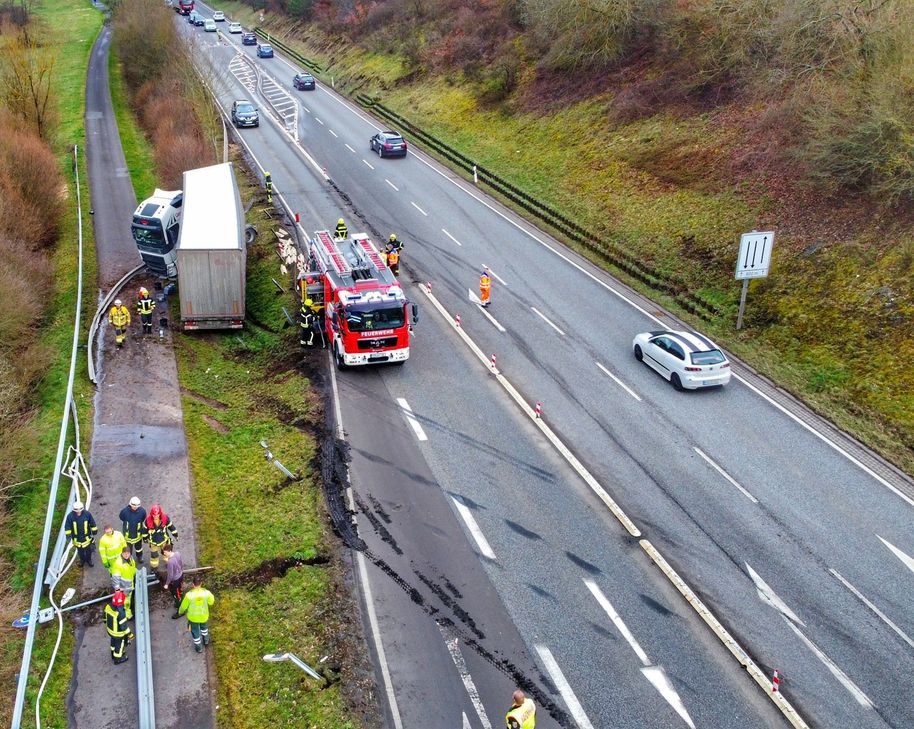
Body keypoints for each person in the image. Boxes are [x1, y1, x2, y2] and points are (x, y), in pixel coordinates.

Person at [178, 574, 215, 653]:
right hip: (203, 616)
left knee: (195, 632)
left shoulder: (189, 595)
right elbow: (211, 602)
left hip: (193, 618)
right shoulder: (206, 593)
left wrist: (180, 612)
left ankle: (199, 648)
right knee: (204, 629)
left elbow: (183, 607)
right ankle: (206, 641)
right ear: (201, 583)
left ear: (192, 584)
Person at [144, 503, 178, 570]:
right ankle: (154, 568)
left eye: (157, 514)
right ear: (151, 514)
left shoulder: (165, 518)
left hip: (164, 541)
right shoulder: (148, 521)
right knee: (154, 556)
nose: (156, 516)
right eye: (154, 515)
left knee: (166, 554)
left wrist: (175, 534)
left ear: (160, 513)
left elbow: (171, 527)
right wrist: (145, 538)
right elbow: (145, 531)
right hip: (153, 542)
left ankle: (168, 564)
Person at [64, 501, 97, 568]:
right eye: (77, 511)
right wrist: (68, 537)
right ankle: (82, 561)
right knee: (80, 552)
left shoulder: (87, 514)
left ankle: (89, 560)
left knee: (88, 551)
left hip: (86, 538)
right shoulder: (70, 516)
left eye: (80, 510)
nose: (78, 512)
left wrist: (94, 531)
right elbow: (67, 527)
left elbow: (92, 523)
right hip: (77, 539)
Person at [104, 591, 133, 665]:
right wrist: (130, 635)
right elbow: (124, 627)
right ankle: (118, 659)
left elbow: (104, 618)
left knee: (113, 641)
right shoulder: (120, 613)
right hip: (118, 633)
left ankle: (112, 654)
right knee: (119, 645)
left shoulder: (108, 606)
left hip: (110, 631)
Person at [111, 547, 137, 620]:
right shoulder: (118, 563)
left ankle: (126, 611)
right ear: (122, 553)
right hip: (123, 587)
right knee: (125, 602)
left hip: (129, 585)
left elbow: (132, 568)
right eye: (124, 553)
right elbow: (115, 578)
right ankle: (127, 614)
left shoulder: (130, 558)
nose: (126, 555)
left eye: (128, 553)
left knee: (128, 600)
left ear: (130, 553)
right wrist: (117, 590)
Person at [119, 496, 147, 563]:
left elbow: (143, 518)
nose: (135, 507)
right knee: (128, 549)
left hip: (138, 534)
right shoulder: (124, 512)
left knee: (139, 548)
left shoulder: (142, 511)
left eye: (136, 506)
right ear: (130, 504)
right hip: (128, 535)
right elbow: (121, 517)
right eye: (133, 506)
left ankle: (139, 557)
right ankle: (128, 558)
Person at [162, 543, 184, 619]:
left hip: (175, 580)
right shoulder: (177, 553)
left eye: (164, 552)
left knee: (176, 595)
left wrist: (167, 584)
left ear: (168, 551)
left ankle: (181, 611)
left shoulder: (170, 562)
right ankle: (179, 603)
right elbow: (181, 563)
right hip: (180, 575)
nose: (164, 554)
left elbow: (170, 575)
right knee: (180, 591)